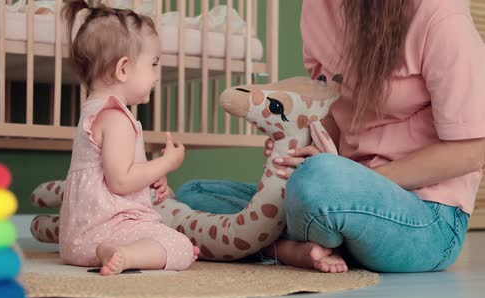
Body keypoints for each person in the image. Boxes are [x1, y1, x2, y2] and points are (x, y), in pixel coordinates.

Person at [176, 0, 485, 273]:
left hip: (427, 215)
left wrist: (355, 176)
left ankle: (289, 237)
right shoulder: (317, 7)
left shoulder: (441, 14)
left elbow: (473, 148)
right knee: (194, 194)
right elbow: (328, 111)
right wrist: (296, 150)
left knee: (318, 182)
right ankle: (286, 249)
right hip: (337, 190)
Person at [59, 0, 198, 276]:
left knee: (167, 237)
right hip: (107, 229)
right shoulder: (116, 118)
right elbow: (121, 181)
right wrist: (167, 163)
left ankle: (113, 250)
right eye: (153, 64)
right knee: (181, 246)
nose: (157, 76)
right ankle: (127, 254)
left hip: (77, 239)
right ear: (123, 69)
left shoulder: (93, 111)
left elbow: (115, 173)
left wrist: (151, 177)